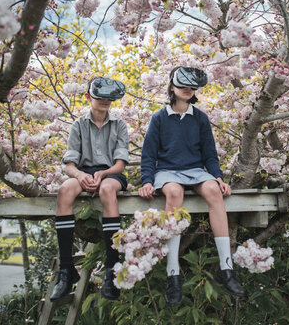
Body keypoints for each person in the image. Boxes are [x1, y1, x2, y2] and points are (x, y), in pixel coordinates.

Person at [138, 66, 244, 306]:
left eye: (191, 87)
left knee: (214, 191)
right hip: (167, 172)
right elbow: (148, 154)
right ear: (172, 87)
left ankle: (227, 268)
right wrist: (146, 180)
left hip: (195, 171)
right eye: (182, 85)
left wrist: (217, 176)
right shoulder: (159, 117)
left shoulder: (200, 117)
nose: (187, 90)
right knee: (174, 193)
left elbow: (209, 154)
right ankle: (173, 273)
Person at [50, 76, 129, 301]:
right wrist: (80, 175)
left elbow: (120, 163)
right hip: (84, 172)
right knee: (65, 190)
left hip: (111, 174)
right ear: (88, 97)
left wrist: (104, 174)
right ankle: (66, 270)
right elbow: (70, 165)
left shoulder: (119, 124)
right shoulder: (79, 125)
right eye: (99, 96)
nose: (105, 101)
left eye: (108, 98)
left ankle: (112, 268)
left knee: (106, 190)